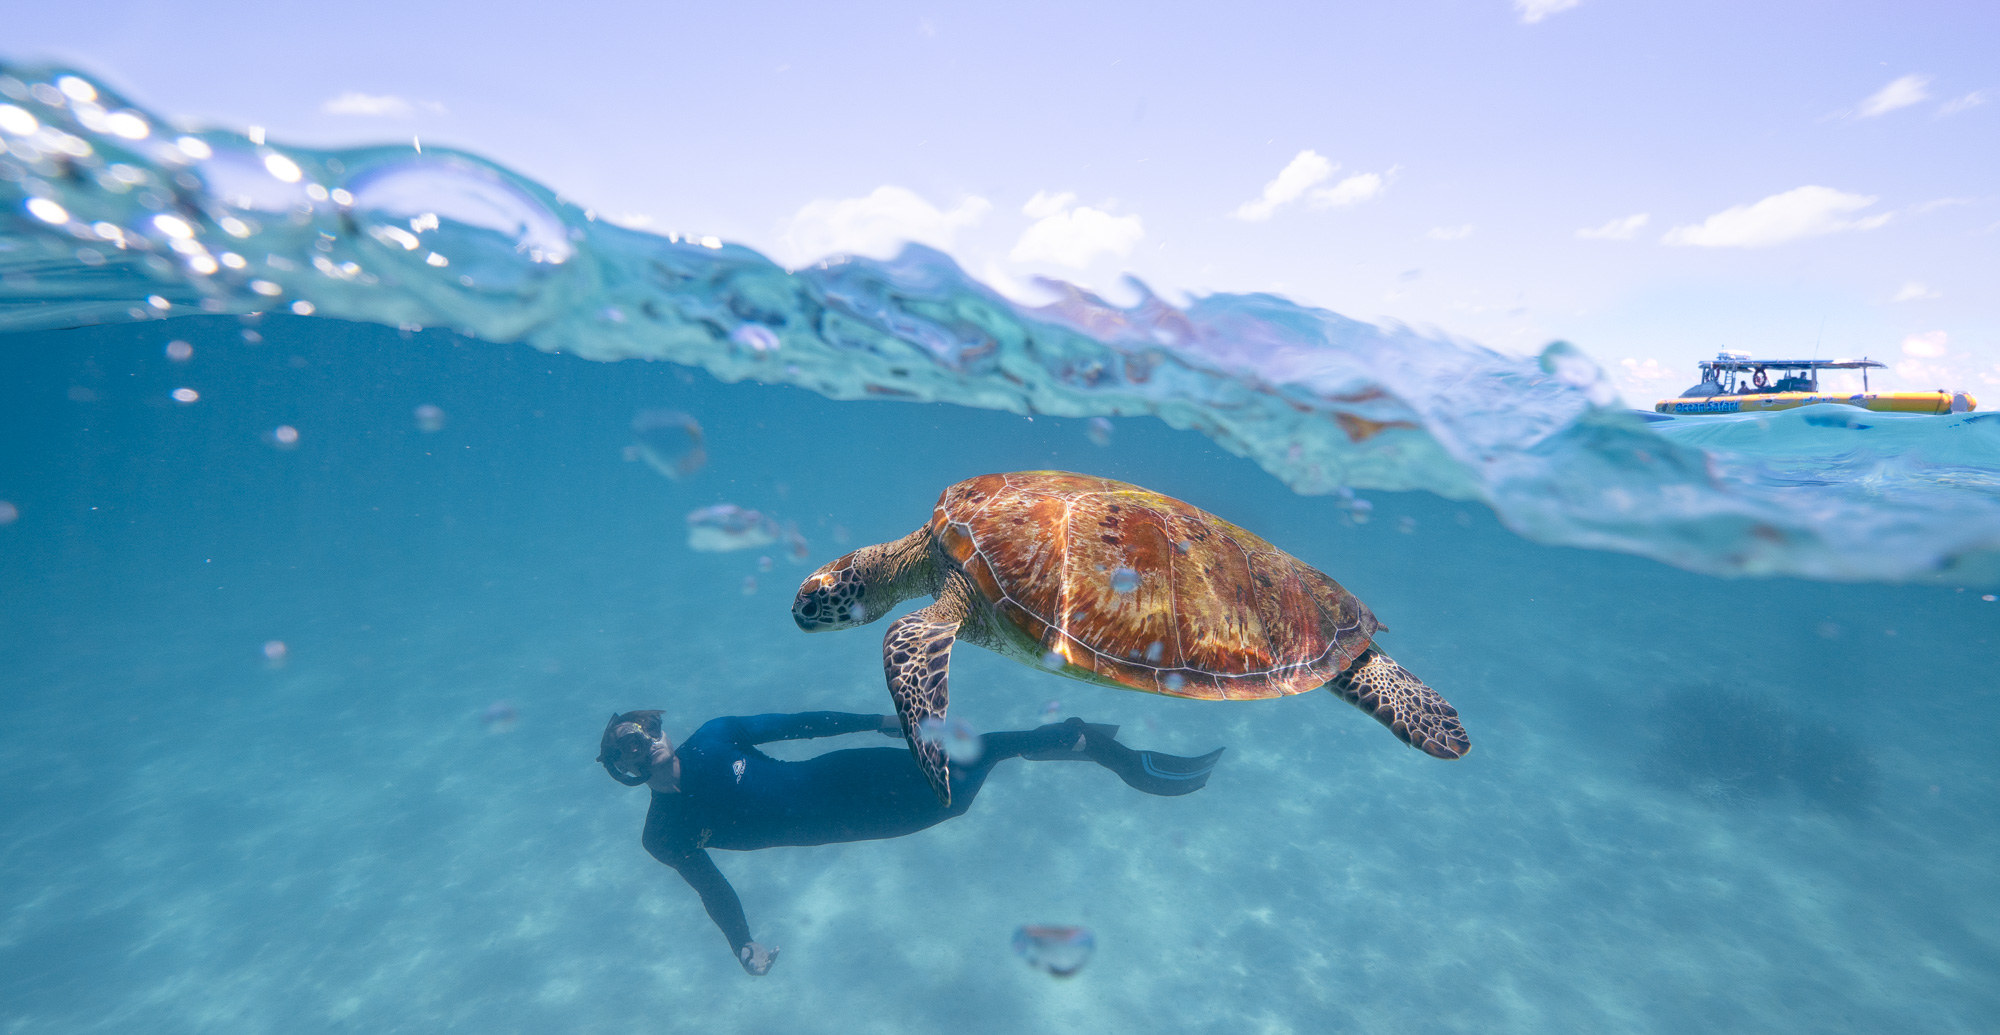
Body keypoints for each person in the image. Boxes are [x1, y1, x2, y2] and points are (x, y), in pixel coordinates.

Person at [596, 709, 1223, 975]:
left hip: (851, 770)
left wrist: (878, 720)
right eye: (626, 745)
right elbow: (711, 888)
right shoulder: (665, 833)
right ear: (622, 769)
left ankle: (1109, 753)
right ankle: (1083, 743)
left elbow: (800, 723)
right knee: (957, 794)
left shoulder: (714, 736)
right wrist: (744, 946)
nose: (643, 740)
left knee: (979, 753)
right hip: (858, 818)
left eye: (644, 727)